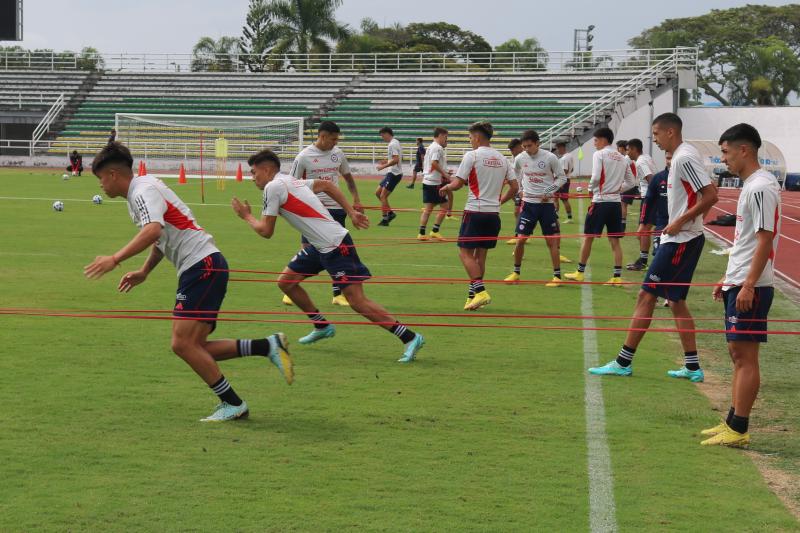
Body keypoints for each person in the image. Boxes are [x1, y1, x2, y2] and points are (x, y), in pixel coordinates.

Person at [84, 142, 293, 423]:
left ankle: (234, 404)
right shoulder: (142, 191)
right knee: (195, 346)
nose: (100, 186)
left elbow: (153, 230)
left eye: (99, 179)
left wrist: (115, 258)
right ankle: (267, 346)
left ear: (111, 174)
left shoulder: (142, 190)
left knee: (182, 344)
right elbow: (161, 237)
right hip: (203, 266)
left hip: (202, 266)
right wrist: (145, 271)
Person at [233, 149, 425, 363]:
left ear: (267, 169)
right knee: (286, 282)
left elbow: (266, 231)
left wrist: (246, 216)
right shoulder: (289, 181)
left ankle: (410, 337)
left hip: (335, 245)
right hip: (319, 246)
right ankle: (321, 325)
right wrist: (350, 211)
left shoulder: (273, 187)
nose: (252, 178)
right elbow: (326, 185)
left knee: (357, 301)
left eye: (253, 172)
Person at [588, 113, 719, 381]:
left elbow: (711, 195)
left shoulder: (684, 157)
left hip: (680, 241)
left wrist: (680, 221)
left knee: (646, 296)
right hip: (682, 238)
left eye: (657, 134)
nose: (655, 140)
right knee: (676, 302)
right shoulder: (680, 158)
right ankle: (693, 367)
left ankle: (623, 362)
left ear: (670, 132)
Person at [704, 124, 781, 448]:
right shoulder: (752, 186)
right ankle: (733, 422)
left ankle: (739, 428)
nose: (724, 160)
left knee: (746, 356)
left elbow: (765, 240)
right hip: (741, 280)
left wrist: (748, 284)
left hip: (754, 285)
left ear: (744, 150)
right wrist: (730, 277)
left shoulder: (761, 187)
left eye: (725, 152)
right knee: (737, 354)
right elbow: (745, 241)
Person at [439, 121, 518, 311]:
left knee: (464, 253)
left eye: (470, 137)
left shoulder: (472, 156)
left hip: (475, 212)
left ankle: (481, 291)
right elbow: (515, 188)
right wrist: (499, 202)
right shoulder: (503, 158)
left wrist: (446, 186)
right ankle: (472, 296)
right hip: (493, 214)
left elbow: (458, 184)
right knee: (480, 255)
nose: (470, 141)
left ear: (477, 137)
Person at [289, 121, 362, 307]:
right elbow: (292, 184)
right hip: (312, 210)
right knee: (307, 249)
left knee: (337, 251)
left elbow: (348, 177)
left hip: (336, 208)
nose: (335, 143)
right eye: (333, 139)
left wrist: (356, 199)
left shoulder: (338, 154)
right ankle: (291, 286)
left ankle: (338, 294)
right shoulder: (303, 157)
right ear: (322, 136)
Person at [565, 127, 636, 286]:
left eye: (596, 140)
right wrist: (618, 189)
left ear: (604, 139)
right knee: (615, 241)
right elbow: (632, 182)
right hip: (615, 203)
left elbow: (596, 176)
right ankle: (617, 277)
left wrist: (590, 189)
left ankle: (580, 272)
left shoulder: (600, 154)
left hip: (601, 201)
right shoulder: (623, 157)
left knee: (588, 238)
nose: (594, 144)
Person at [504, 130, 567, 287]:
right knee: (520, 240)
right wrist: (520, 190)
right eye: (524, 146)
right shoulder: (520, 158)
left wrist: (549, 191)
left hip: (546, 206)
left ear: (538, 143)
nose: (526, 149)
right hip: (528, 205)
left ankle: (557, 277)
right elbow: (515, 176)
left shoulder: (550, 157)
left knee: (551, 242)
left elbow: (562, 177)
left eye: (529, 146)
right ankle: (516, 273)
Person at [626, 139, 658, 271]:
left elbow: (650, 179)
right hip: (652, 198)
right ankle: (643, 260)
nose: (627, 153)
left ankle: (644, 262)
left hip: (649, 199)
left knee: (642, 231)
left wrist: (650, 197)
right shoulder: (647, 157)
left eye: (628, 150)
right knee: (645, 231)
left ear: (634, 149)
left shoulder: (640, 162)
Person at [418, 128, 451, 241]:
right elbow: (434, 163)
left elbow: (431, 164)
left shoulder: (431, 146)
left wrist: (445, 172)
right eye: (446, 137)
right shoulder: (437, 148)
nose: (446, 140)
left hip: (428, 181)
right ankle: (434, 231)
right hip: (434, 183)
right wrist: (445, 175)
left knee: (428, 209)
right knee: (445, 207)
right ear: (441, 135)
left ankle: (422, 233)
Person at [376, 127, 403, 226]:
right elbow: (397, 158)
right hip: (392, 172)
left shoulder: (392, 144)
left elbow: (396, 160)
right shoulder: (396, 142)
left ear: (387, 133)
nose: (383, 138)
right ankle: (390, 213)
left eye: (383, 136)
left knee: (382, 195)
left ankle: (385, 219)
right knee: (378, 193)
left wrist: (383, 166)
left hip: (394, 174)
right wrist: (386, 161)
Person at [505, 139, 525, 245]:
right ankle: (521, 235)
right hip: (519, 189)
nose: (511, 152)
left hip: (524, 189)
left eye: (512, 150)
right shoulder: (515, 158)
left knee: (518, 211)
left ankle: (519, 235)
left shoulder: (524, 157)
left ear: (519, 147)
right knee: (519, 211)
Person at [554, 141, 574, 223]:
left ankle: (569, 218)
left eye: (557, 149)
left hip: (562, 181)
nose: (557, 151)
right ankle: (556, 215)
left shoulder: (564, 158)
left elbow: (565, 170)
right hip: (566, 179)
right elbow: (572, 169)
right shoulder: (570, 156)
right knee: (556, 198)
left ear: (561, 148)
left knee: (561, 199)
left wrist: (557, 178)